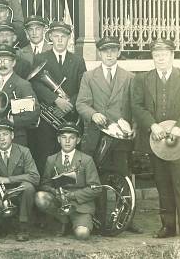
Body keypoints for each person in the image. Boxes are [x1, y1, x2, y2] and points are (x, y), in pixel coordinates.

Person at [132, 39, 180, 244]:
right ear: (152, 57)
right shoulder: (143, 79)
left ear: (172, 55)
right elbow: (136, 105)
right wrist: (152, 125)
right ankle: (168, 226)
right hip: (157, 141)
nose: (160, 58)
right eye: (156, 55)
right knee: (162, 183)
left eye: (164, 54)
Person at [76, 36, 141, 233]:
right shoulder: (89, 76)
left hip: (121, 138)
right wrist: (93, 114)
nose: (109, 54)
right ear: (99, 53)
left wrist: (133, 128)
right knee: (97, 178)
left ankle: (126, 219)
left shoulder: (130, 77)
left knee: (123, 176)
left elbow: (136, 107)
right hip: (97, 137)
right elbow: (81, 103)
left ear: (119, 52)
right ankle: (99, 219)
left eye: (113, 50)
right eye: (105, 51)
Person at [31, 21, 86, 174]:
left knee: (71, 156)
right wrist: (56, 100)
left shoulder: (78, 60)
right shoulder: (40, 58)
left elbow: (84, 87)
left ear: (69, 38)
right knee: (46, 154)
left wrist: (69, 104)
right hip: (48, 118)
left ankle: (71, 187)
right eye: (56, 36)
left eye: (63, 36)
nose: (60, 40)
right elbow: (35, 84)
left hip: (70, 115)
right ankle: (46, 189)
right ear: (50, 38)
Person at [35, 122, 101, 240]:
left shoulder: (87, 160)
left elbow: (96, 188)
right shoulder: (51, 160)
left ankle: (74, 223)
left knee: (82, 235)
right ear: (58, 139)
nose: (67, 141)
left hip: (80, 205)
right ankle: (63, 219)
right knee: (40, 197)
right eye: (64, 137)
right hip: (59, 202)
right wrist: (55, 192)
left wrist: (73, 195)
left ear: (78, 140)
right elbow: (44, 184)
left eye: (72, 138)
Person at [0, 118, 39, 242]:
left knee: (28, 187)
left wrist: (8, 179)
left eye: (5, 134)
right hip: (0, 197)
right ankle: (6, 224)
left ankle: (23, 226)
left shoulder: (24, 151)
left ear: (12, 135)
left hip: (19, 196)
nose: (2, 138)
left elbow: (34, 177)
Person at [0, 43, 39, 150]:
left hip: (15, 139)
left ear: (14, 62)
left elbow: (34, 113)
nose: (2, 64)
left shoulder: (23, 85)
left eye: (6, 60)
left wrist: (14, 121)